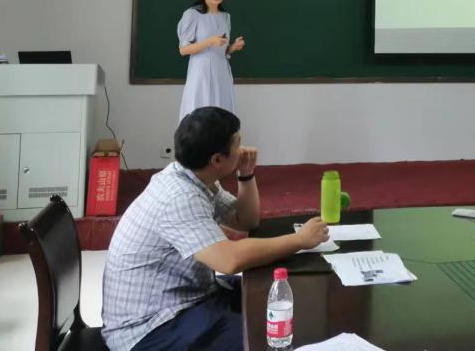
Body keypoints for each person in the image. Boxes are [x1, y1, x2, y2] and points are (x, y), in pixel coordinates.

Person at [102, 107, 329, 351]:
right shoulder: (180, 197)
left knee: (274, 297)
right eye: (238, 144)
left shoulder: (193, 176)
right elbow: (229, 260)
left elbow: (245, 220)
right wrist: (299, 239)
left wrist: (246, 174)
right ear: (217, 160)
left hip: (186, 297)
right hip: (150, 328)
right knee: (270, 334)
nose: (243, 149)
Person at [177, 0, 245, 121]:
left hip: (221, 72)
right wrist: (210, 41)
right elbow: (183, 50)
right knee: (200, 114)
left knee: (222, 114)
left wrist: (233, 47)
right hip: (201, 72)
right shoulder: (192, 15)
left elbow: (221, 51)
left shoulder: (225, 17)